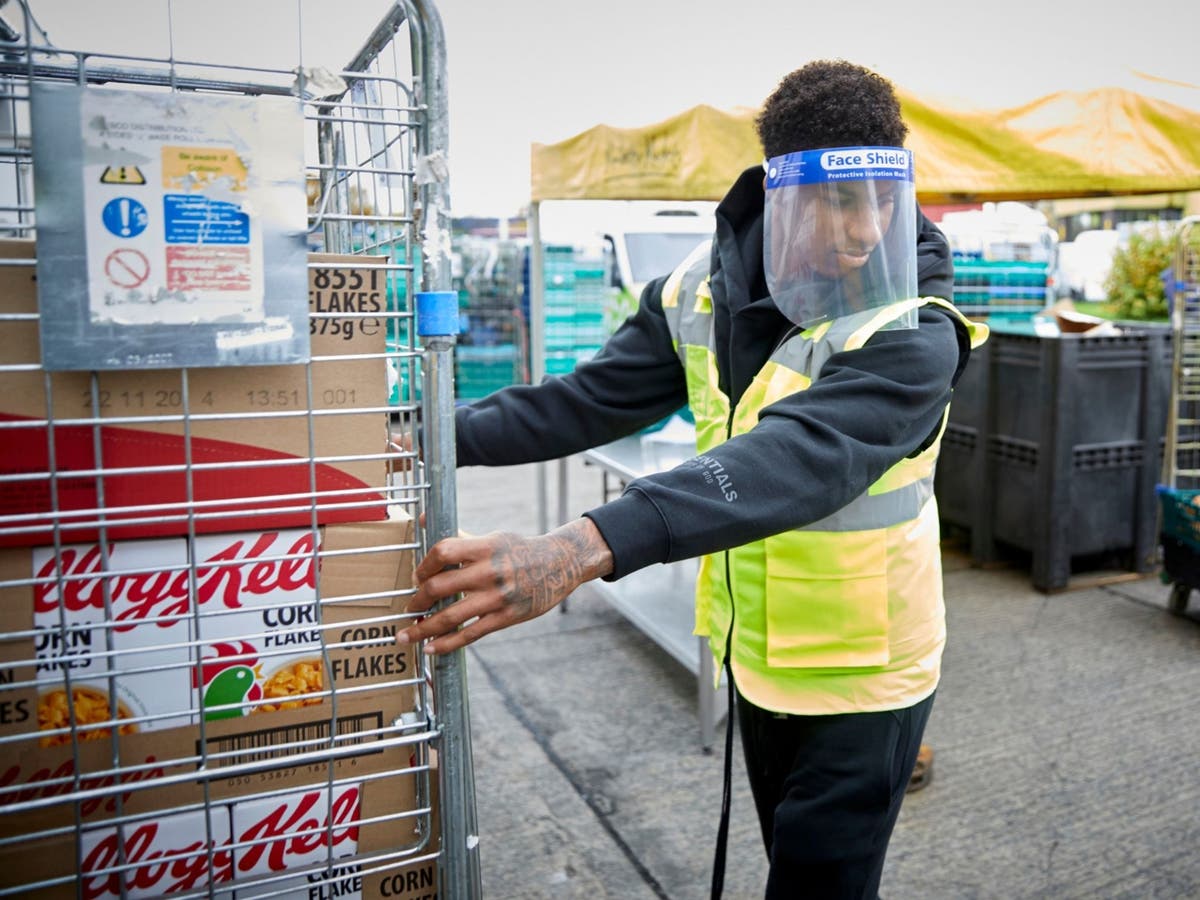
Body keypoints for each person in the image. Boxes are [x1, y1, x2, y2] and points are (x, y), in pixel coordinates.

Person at [396, 59, 987, 899]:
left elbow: (803, 452)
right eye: (839, 199)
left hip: (867, 672)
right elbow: (587, 400)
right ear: (780, 190)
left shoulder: (916, 323)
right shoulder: (697, 292)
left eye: (883, 197)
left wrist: (583, 545)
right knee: (791, 859)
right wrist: (422, 437)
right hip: (756, 657)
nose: (866, 228)